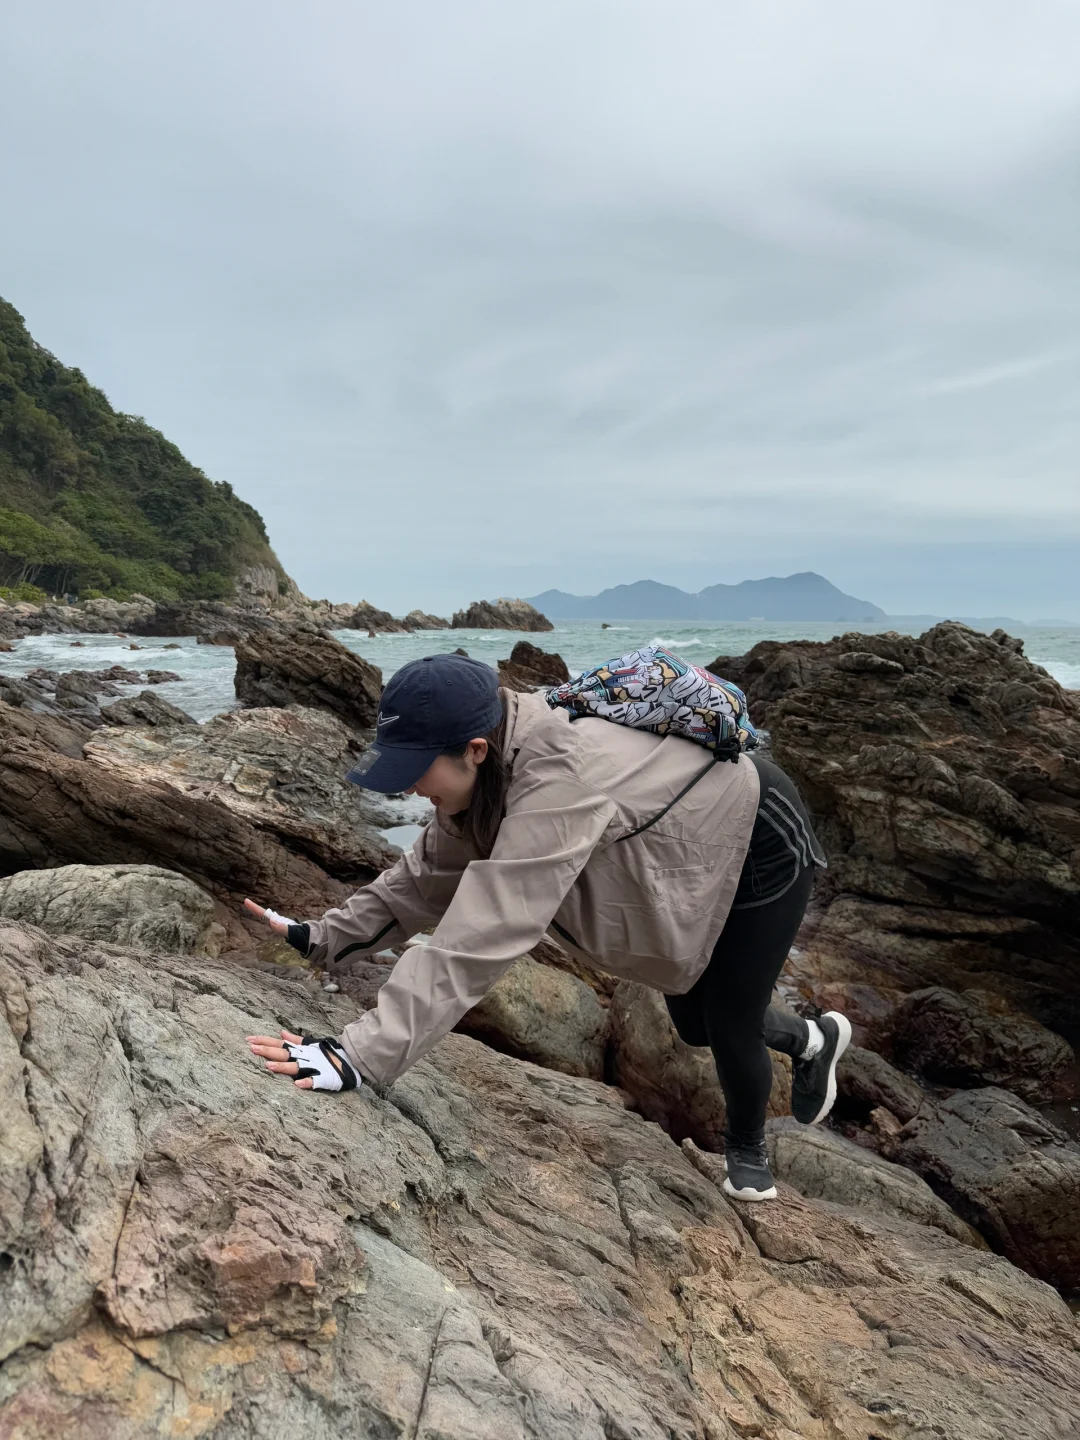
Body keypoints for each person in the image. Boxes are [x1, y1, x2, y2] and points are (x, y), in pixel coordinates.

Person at [245, 652, 850, 1202]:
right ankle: (812, 1038)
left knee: (729, 1020)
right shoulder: (488, 769)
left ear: (474, 750)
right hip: (689, 842)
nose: (405, 786)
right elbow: (425, 877)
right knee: (693, 1022)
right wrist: (324, 936)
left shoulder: (561, 774)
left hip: (759, 838)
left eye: (414, 768)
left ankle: (750, 1153)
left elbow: (487, 929)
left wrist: (357, 1056)